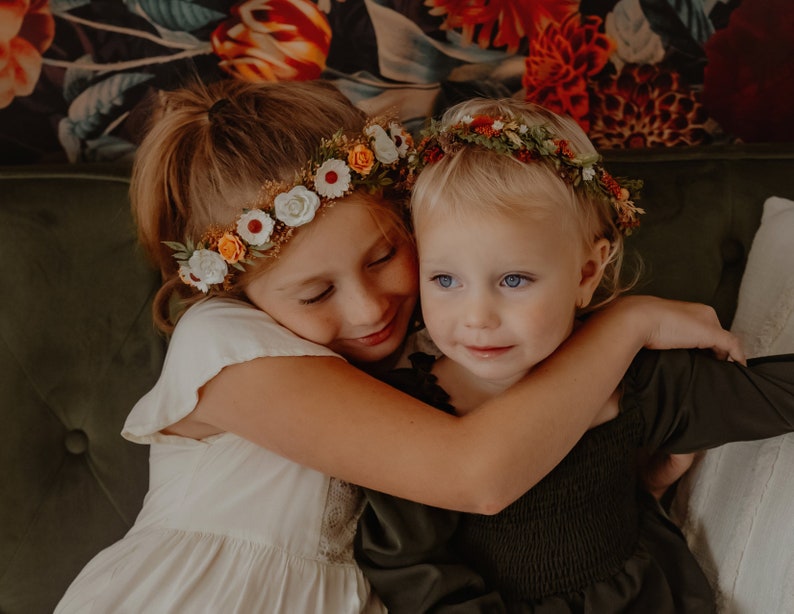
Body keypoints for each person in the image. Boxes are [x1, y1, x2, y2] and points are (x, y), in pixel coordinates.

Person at [55, 80, 744, 614]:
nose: (367, 307)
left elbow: (530, 469)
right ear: (235, 290)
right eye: (315, 294)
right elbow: (476, 476)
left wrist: (634, 482)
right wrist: (630, 324)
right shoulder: (226, 347)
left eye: (385, 255)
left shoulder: (433, 347)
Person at [354, 98, 794, 613]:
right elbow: (416, 578)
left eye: (513, 279)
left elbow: (774, 395)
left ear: (587, 273)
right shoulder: (411, 414)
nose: (476, 317)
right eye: (445, 279)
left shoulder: (640, 378)